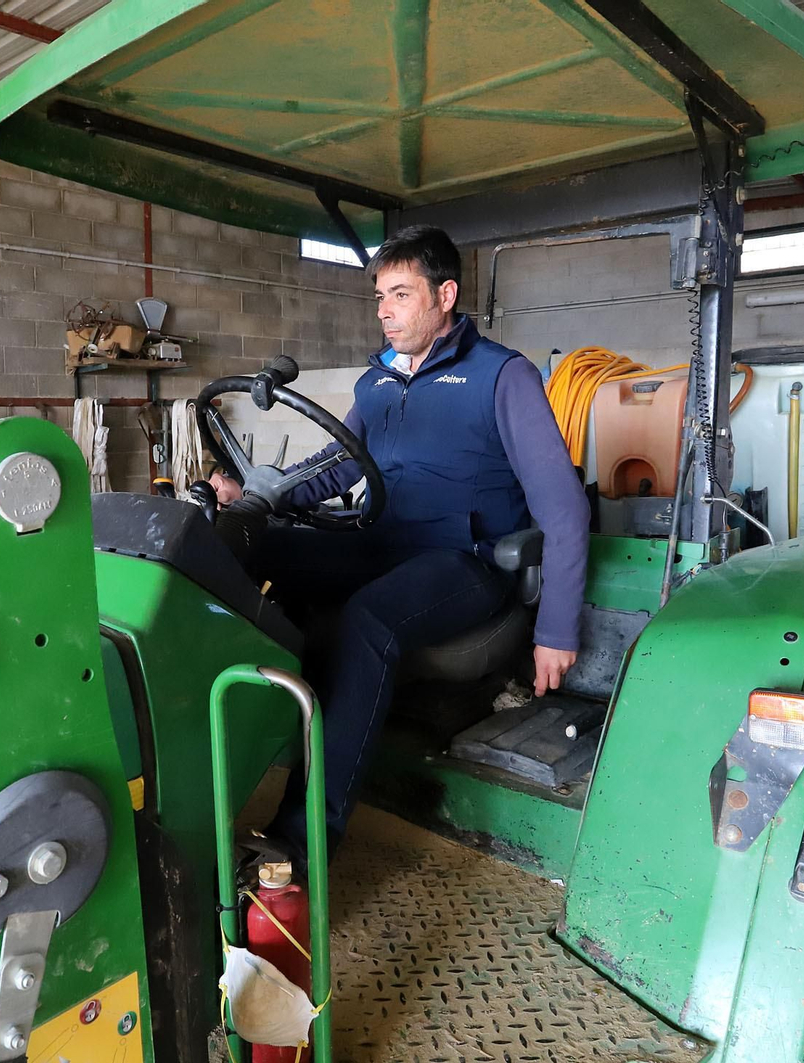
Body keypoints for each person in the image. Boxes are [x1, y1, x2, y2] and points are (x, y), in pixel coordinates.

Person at [211, 224, 590, 863]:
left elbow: (564, 507)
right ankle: (222, 746)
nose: (385, 310)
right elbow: (338, 467)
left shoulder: (502, 377)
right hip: (381, 542)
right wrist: (261, 497)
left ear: (445, 295)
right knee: (244, 547)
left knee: (368, 619)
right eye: (380, 295)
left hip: (465, 560)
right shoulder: (377, 381)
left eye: (401, 294)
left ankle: (300, 845)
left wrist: (557, 628)